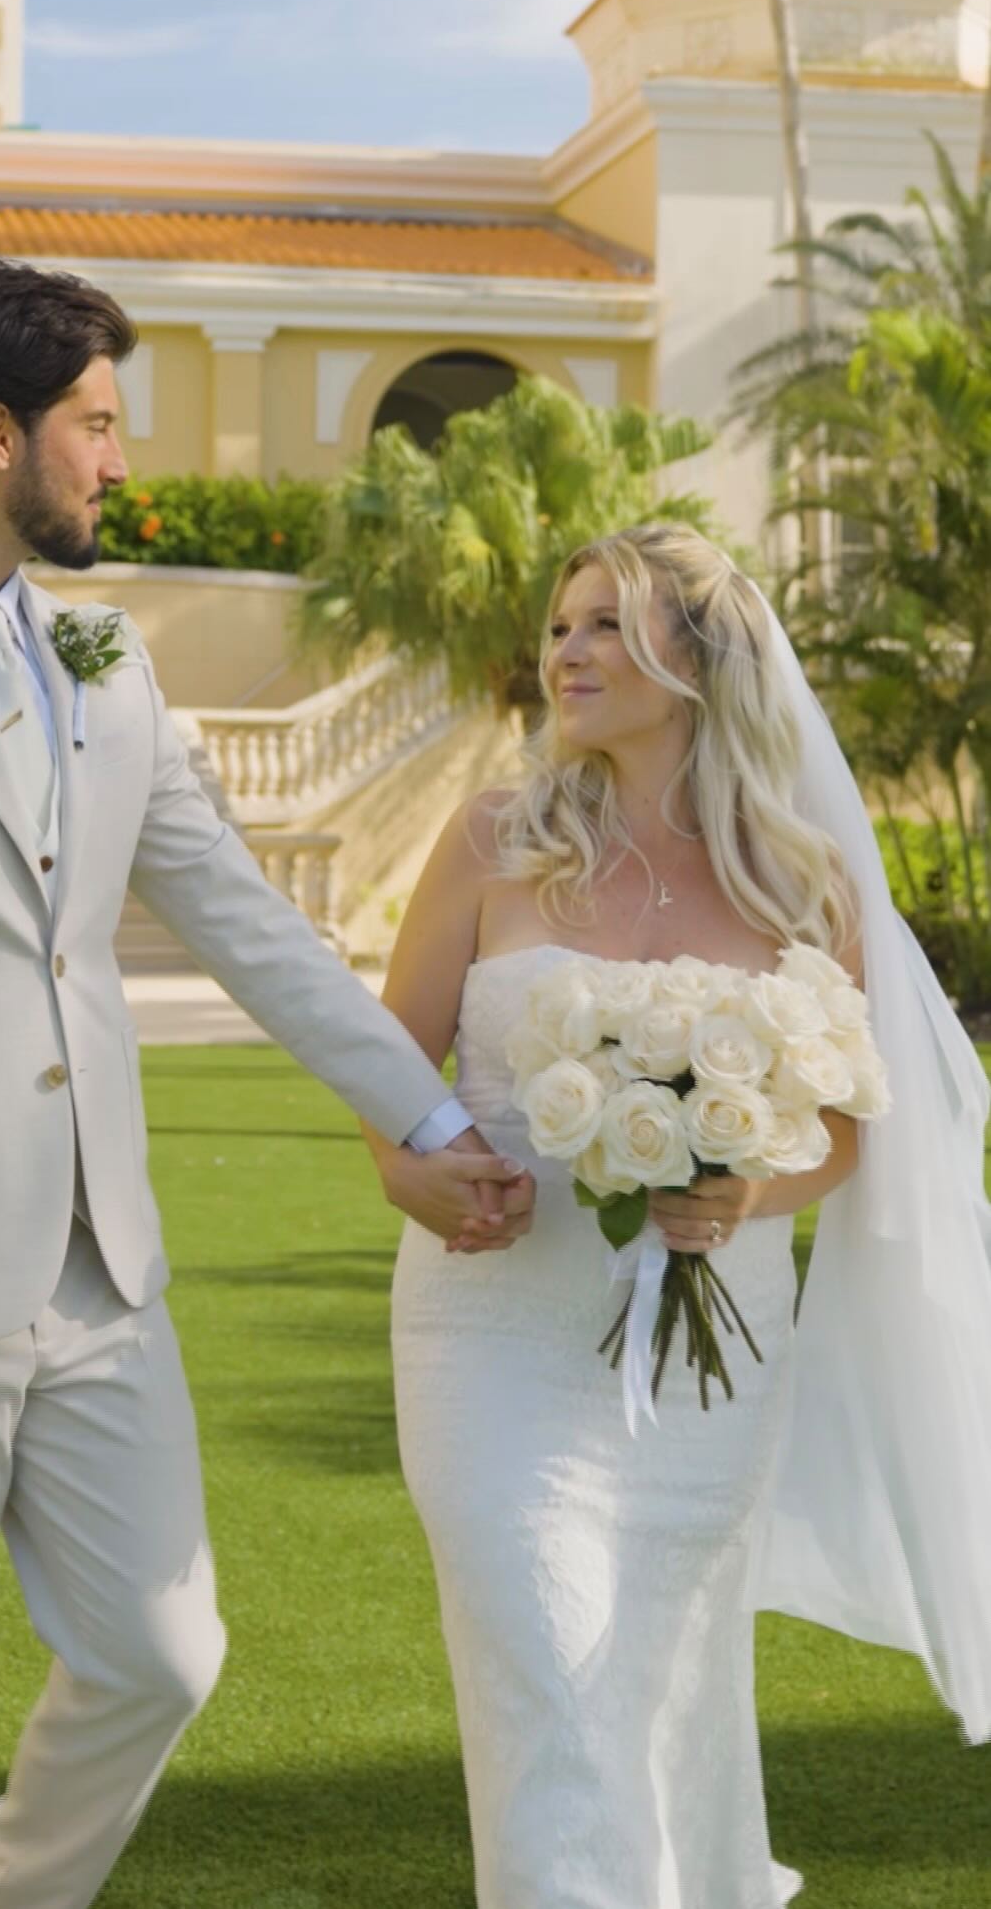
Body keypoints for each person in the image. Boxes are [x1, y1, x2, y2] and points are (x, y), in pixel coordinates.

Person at [0, 254, 532, 1909]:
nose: (118, 461)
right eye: (96, 423)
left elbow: (252, 928)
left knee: (163, 1650)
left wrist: (427, 1117)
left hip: (103, 1277)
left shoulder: (104, 659)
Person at [363, 523, 991, 1909]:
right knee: (542, 1643)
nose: (564, 652)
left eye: (602, 625)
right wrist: (401, 1165)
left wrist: (746, 1187)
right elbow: (390, 1062)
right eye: (560, 624)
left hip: (718, 1350)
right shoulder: (489, 839)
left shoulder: (801, 876)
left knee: (660, 1673)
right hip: (493, 1324)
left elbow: (848, 1125)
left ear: (696, 660)